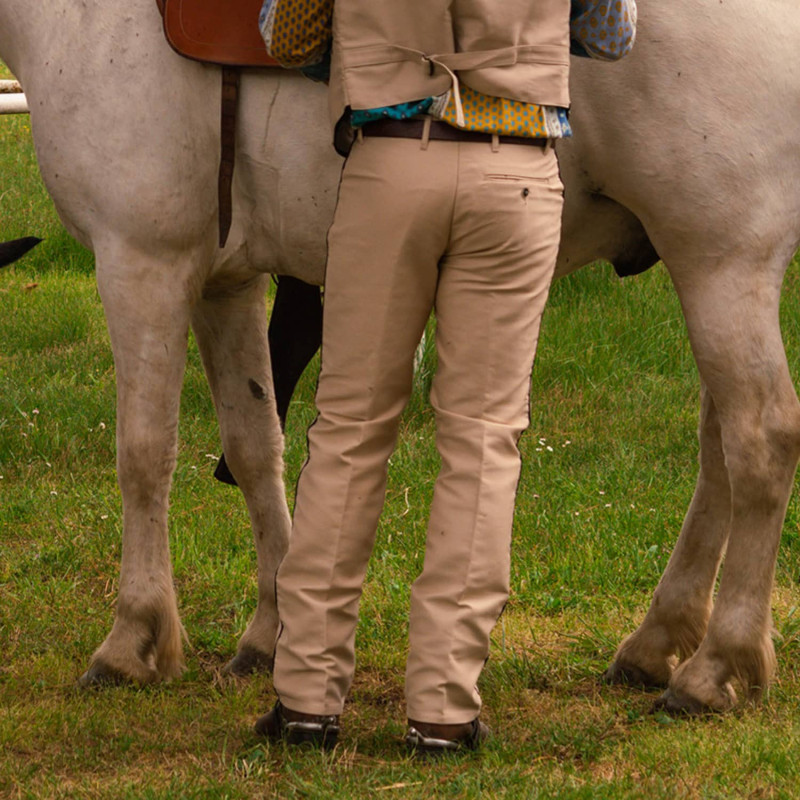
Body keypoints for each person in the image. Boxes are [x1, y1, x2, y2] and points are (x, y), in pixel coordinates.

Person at [256, 0, 636, 755]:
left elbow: (286, 34)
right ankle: (442, 710)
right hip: (516, 168)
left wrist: (375, 53)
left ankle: (305, 698)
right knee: (485, 439)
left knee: (350, 431)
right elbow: (611, 35)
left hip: (392, 162)